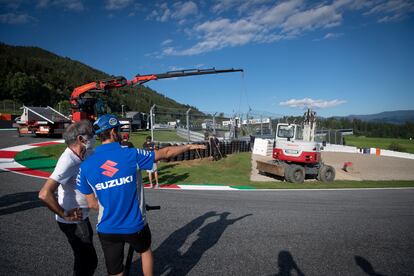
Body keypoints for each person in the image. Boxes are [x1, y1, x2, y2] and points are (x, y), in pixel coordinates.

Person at [76, 114, 205, 276]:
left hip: (107, 227)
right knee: (145, 251)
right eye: (118, 130)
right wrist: (188, 147)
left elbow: (91, 203)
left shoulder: (86, 165)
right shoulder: (131, 154)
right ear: (113, 133)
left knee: (115, 270)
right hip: (135, 224)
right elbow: (165, 153)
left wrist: (110, 207)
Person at [38, 120, 98, 276]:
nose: (94, 137)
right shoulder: (67, 160)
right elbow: (44, 194)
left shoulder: (87, 152)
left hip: (83, 216)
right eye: (91, 134)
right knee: (88, 262)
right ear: (80, 139)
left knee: (84, 261)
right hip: (72, 220)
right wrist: (64, 213)